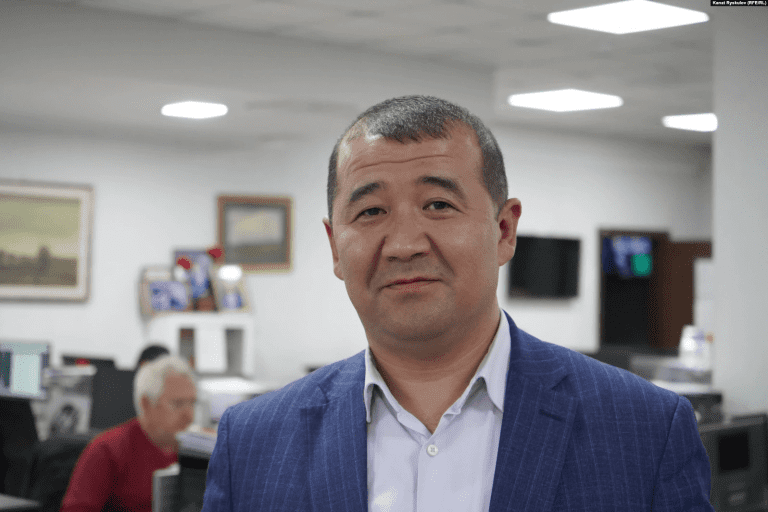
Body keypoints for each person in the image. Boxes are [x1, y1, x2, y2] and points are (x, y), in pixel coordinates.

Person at [201, 95, 714, 511]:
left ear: (504, 230)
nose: (404, 244)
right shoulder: (253, 443)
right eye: (371, 211)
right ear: (335, 246)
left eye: (439, 204)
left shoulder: (644, 429)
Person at [61, 355, 196, 512]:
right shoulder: (107, 450)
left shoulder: (195, 454)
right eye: (178, 404)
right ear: (146, 404)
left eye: (192, 403)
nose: (190, 416)